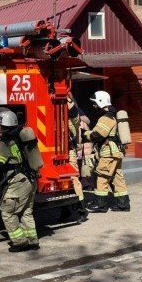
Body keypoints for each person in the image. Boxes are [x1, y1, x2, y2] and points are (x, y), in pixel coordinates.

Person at [0, 108, 41, 252]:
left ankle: (20, 242)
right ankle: (33, 241)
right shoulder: (21, 138)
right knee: (26, 211)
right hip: (31, 179)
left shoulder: (5, 144)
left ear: (2, 126)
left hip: (18, 182)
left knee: (7, 212)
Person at [84, 91, 130, 213]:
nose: (93, 106)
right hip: (116, 152)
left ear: (100, 102)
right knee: (117, 178)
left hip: (108, 153)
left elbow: (97, 135)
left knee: (101, 176)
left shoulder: (106, 118)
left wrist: (85, 134)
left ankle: (101, 204)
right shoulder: (113, 115)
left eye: (94, 103)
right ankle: (123, 204)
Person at [59, 91, 88, 222]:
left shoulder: (73, 114)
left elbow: (74, 117)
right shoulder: (58, 112)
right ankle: (65, 211)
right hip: (57, 151)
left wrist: (66, 98)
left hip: (68, 150)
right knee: (59, 183)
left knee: (74, 180)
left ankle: (82, 211)